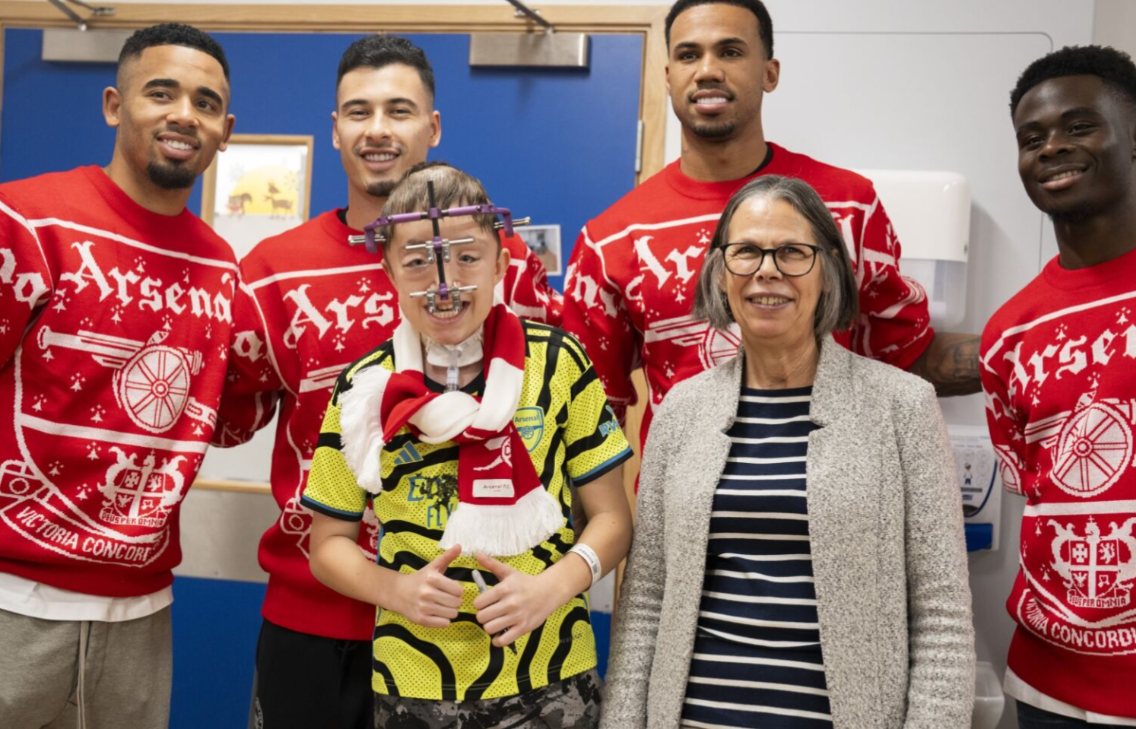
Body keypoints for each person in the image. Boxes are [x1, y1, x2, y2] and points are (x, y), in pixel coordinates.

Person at [214, 35, 562, 729]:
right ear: (335, 129)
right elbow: (226, 413)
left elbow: (555, 412)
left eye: (399, 110)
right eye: (358, 111)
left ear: (432, 127)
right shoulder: (274, 270)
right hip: (313, 615)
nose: (377, 129)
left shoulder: (503, 262)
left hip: (467, 622)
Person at [603, 175, 974, 729]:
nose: (767, 270)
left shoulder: (902, 407)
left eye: (792, 253)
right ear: (720, 273)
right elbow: (647, 598)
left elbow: (941, 615)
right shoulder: (681, 411)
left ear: (827, 272)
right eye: (746, 251)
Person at [564, 0, 980, 458]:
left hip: (837, 496)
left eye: (730, 51)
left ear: (770, 72)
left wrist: (1029, 340)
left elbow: (902, 358)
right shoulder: (612, 238)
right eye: (688, 55)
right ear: (667, 75)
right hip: (688, 509)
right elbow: (589, 415)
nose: (707, 70)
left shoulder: (847, 206)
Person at [301, 162, 633, 728]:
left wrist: (551, 588)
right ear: (388, 272)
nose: (444, 282)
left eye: (466, 257)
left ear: (502, 261)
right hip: (415, 680)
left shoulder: (558, 364)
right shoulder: (365, 389)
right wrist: (396, 590)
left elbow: (614, 520)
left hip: (552, 672)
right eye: (417, 263)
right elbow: (327, 544)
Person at [0, 24, 236, 727]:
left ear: (226, 127)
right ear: (113, 104)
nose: (183, 114)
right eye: (160, 92)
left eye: (205, 100)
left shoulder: (221, 267)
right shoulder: (26, 219)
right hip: (13, 597)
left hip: (143, 607)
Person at [981, 45, 1136, 728]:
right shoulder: (1006, 333)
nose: (1050, 148)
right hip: (1047, 681)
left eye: (1079, 127)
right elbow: (1041, 489)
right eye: (1031, 138)